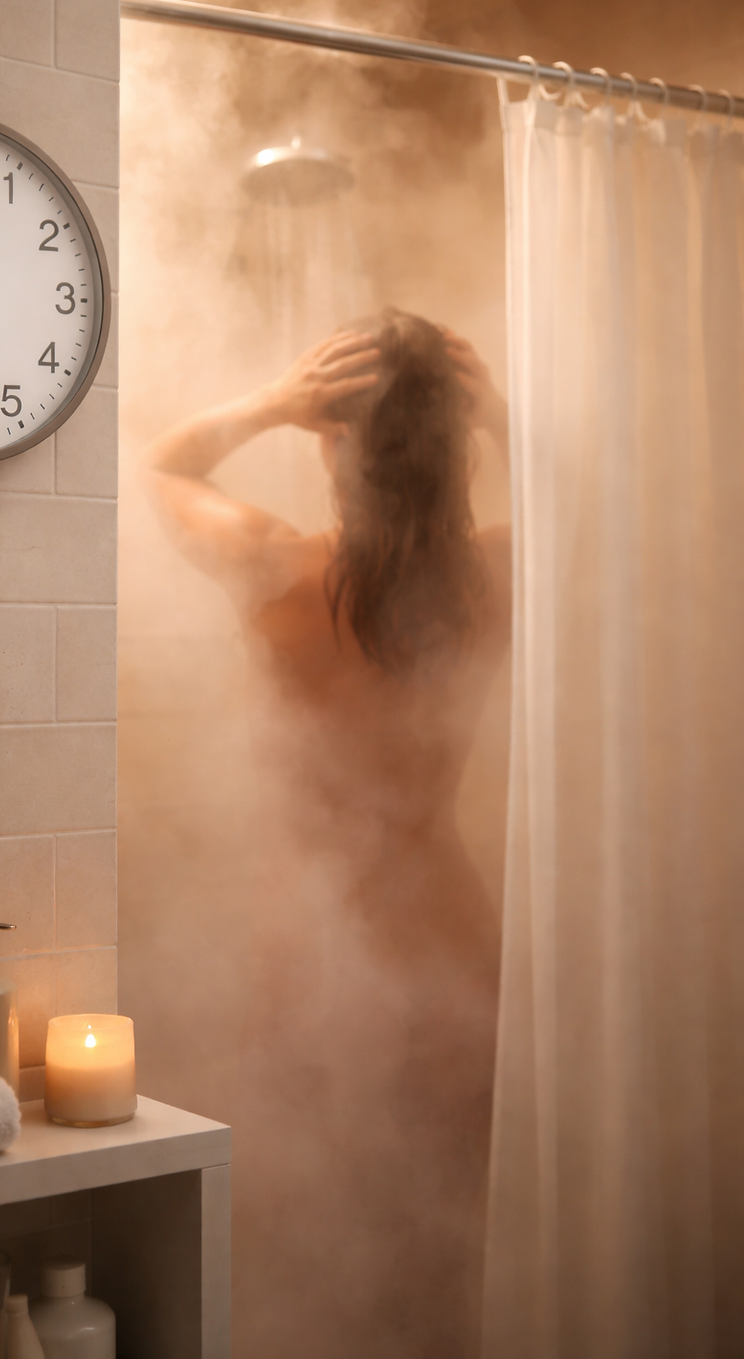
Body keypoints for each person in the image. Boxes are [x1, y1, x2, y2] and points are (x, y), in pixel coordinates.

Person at [140, 309, 511, 1359]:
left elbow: (157, 467)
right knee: (450, 1246)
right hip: (452, 946)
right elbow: (604, 515)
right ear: (452, 450)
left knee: (310, 1239)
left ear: (334, 444)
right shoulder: (494, 578)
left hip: (314, 948)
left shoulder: (272, 564)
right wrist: (496, 415)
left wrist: (272, 403)